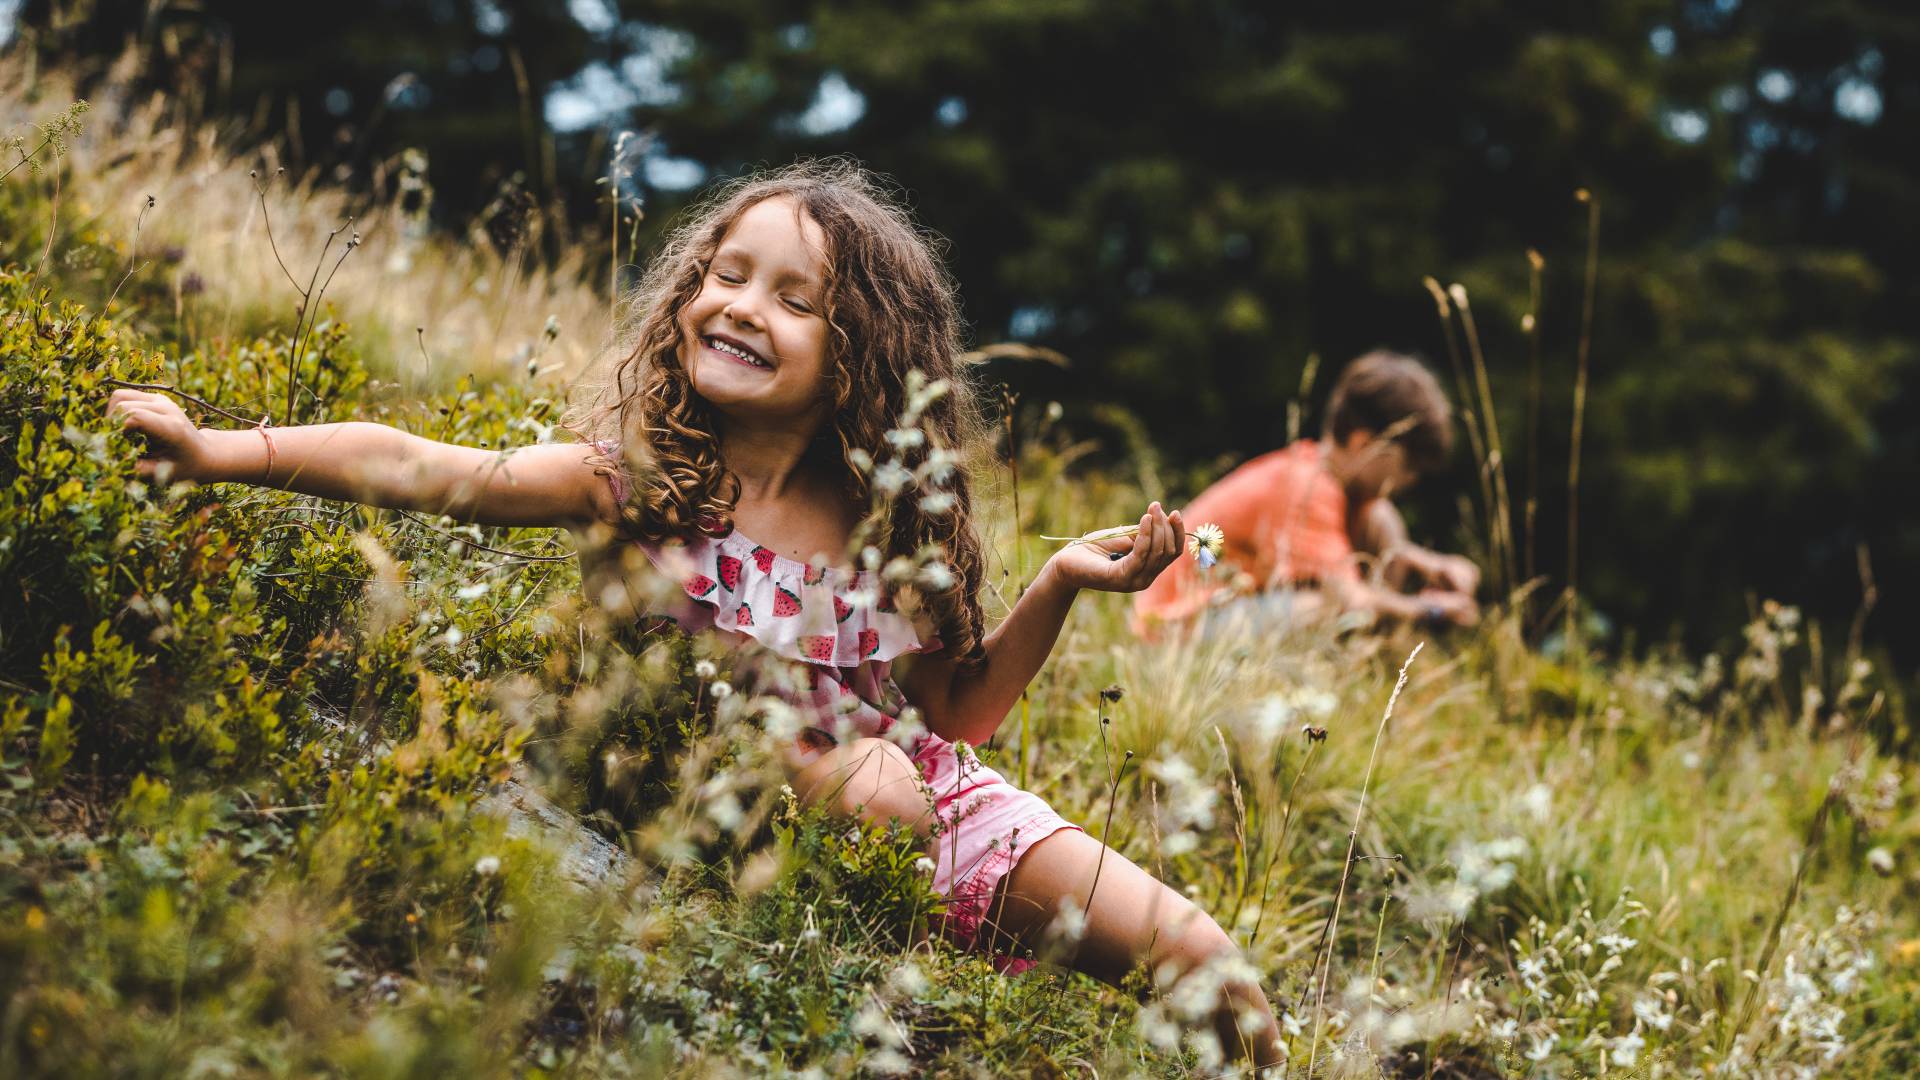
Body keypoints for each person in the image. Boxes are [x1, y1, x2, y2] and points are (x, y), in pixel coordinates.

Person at [107, 161, 1284, 1069]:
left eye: (793, 298)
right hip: (732, 806)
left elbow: (965, 715)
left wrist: (1062, 583)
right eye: (725, 273)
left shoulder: (888, 533)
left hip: (935, 801)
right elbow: (430, 465)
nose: (737, 306)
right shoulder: (641, 485)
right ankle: (877, 954)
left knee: (1215, 971)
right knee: (869, 788)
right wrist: (221, 453)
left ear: (860, 352)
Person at [1133, 350, 1481, 636]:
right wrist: (1431, 610)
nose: (1410, 481)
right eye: (1409, 466)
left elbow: (1357, 554)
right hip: (1167, 633)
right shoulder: (1306, 487)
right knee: (1325, 607)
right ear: (1363, 443)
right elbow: (1350, 601)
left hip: (1218, 618)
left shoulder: (1331, 481)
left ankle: (1367, 673)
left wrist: (1429, 564)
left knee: (1381, 519)